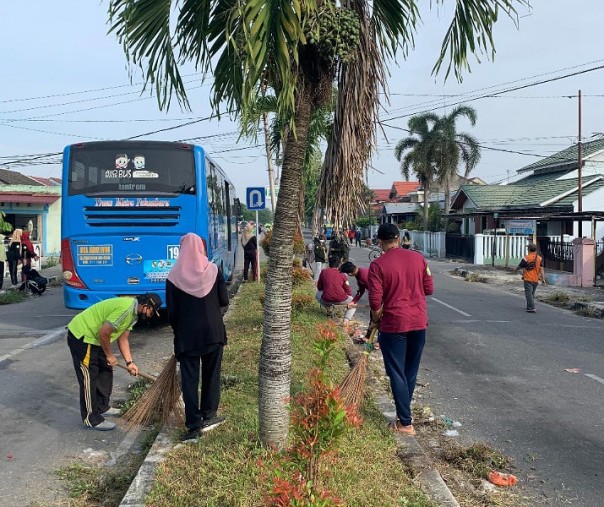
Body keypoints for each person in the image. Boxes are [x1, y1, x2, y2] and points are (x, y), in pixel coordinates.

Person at [367, 223, 434, 436]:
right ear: (399, 237)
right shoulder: (419, 258)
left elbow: (375, 302)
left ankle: (405, 423)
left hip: (394, 324)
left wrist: (376, 318)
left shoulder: (377, 266)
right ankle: (402, 417)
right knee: (409, 371)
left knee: (396, 372)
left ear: (379, 241)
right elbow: (429, 289)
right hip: (418, 322)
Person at [66, 292, 162, 431]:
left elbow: (123, 338)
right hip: (83, 336)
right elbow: (104, 332)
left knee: (105, 369)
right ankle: (91, 419)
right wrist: (110, 355)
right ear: (145, 305)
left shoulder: (133, 315)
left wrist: (130, 363)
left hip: (96, 339)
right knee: (89, 377)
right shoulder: (126, 309)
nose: (149, 315)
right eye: (151, 312)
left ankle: (102, 406)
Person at [166, 233, 229, 442]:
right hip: (213, 332)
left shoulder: (173, 277)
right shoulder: (213, 270)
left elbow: (172, 313)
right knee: (212, 375)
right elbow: (223, 300)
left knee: (190, 381)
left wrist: (179, 332)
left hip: (187, 337)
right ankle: (209, 415)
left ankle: (193, 425)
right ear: (201, 248)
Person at [316, 255, 356, 324]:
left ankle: (328, 309)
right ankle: (345, 321)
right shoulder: (343, 275)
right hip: (341, 300)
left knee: (317, 294)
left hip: (326, 300)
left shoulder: (323, 272)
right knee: (354, 303)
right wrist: (347, 297)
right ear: (339, 264)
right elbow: (348, 290)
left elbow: (319, 287)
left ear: (329, 263)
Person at [515, 243, 545, 313]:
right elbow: (542, 269)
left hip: (528, 278)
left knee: (528, 294)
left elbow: (520, 266)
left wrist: (515, 270)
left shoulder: (526, 258)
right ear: (535, 250)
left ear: (529, 250)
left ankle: (532, 307)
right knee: (531, 294)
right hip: (536, 279)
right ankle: (529, 306)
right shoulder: (539, 258)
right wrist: (543, 279)